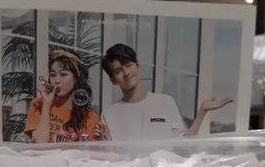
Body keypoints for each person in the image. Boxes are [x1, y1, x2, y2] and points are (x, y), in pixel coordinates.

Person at [98, 43, 233, 141]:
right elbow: (111, 156)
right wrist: (100, 142)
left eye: (128, 65)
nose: (126, 73)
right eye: (118, 71)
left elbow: (183, 144)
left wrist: (202, 111)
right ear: (112, 79)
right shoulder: (110, 114)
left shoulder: (165, 102)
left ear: (138, 66)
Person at [25, 50, 101, 143]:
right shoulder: (38, 104)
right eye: (53, 75)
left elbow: (86, 150)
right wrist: (46, 104)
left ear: (76, 78)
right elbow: (40, 143)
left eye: (63, 74)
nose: (56, 80)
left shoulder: (90, 117)